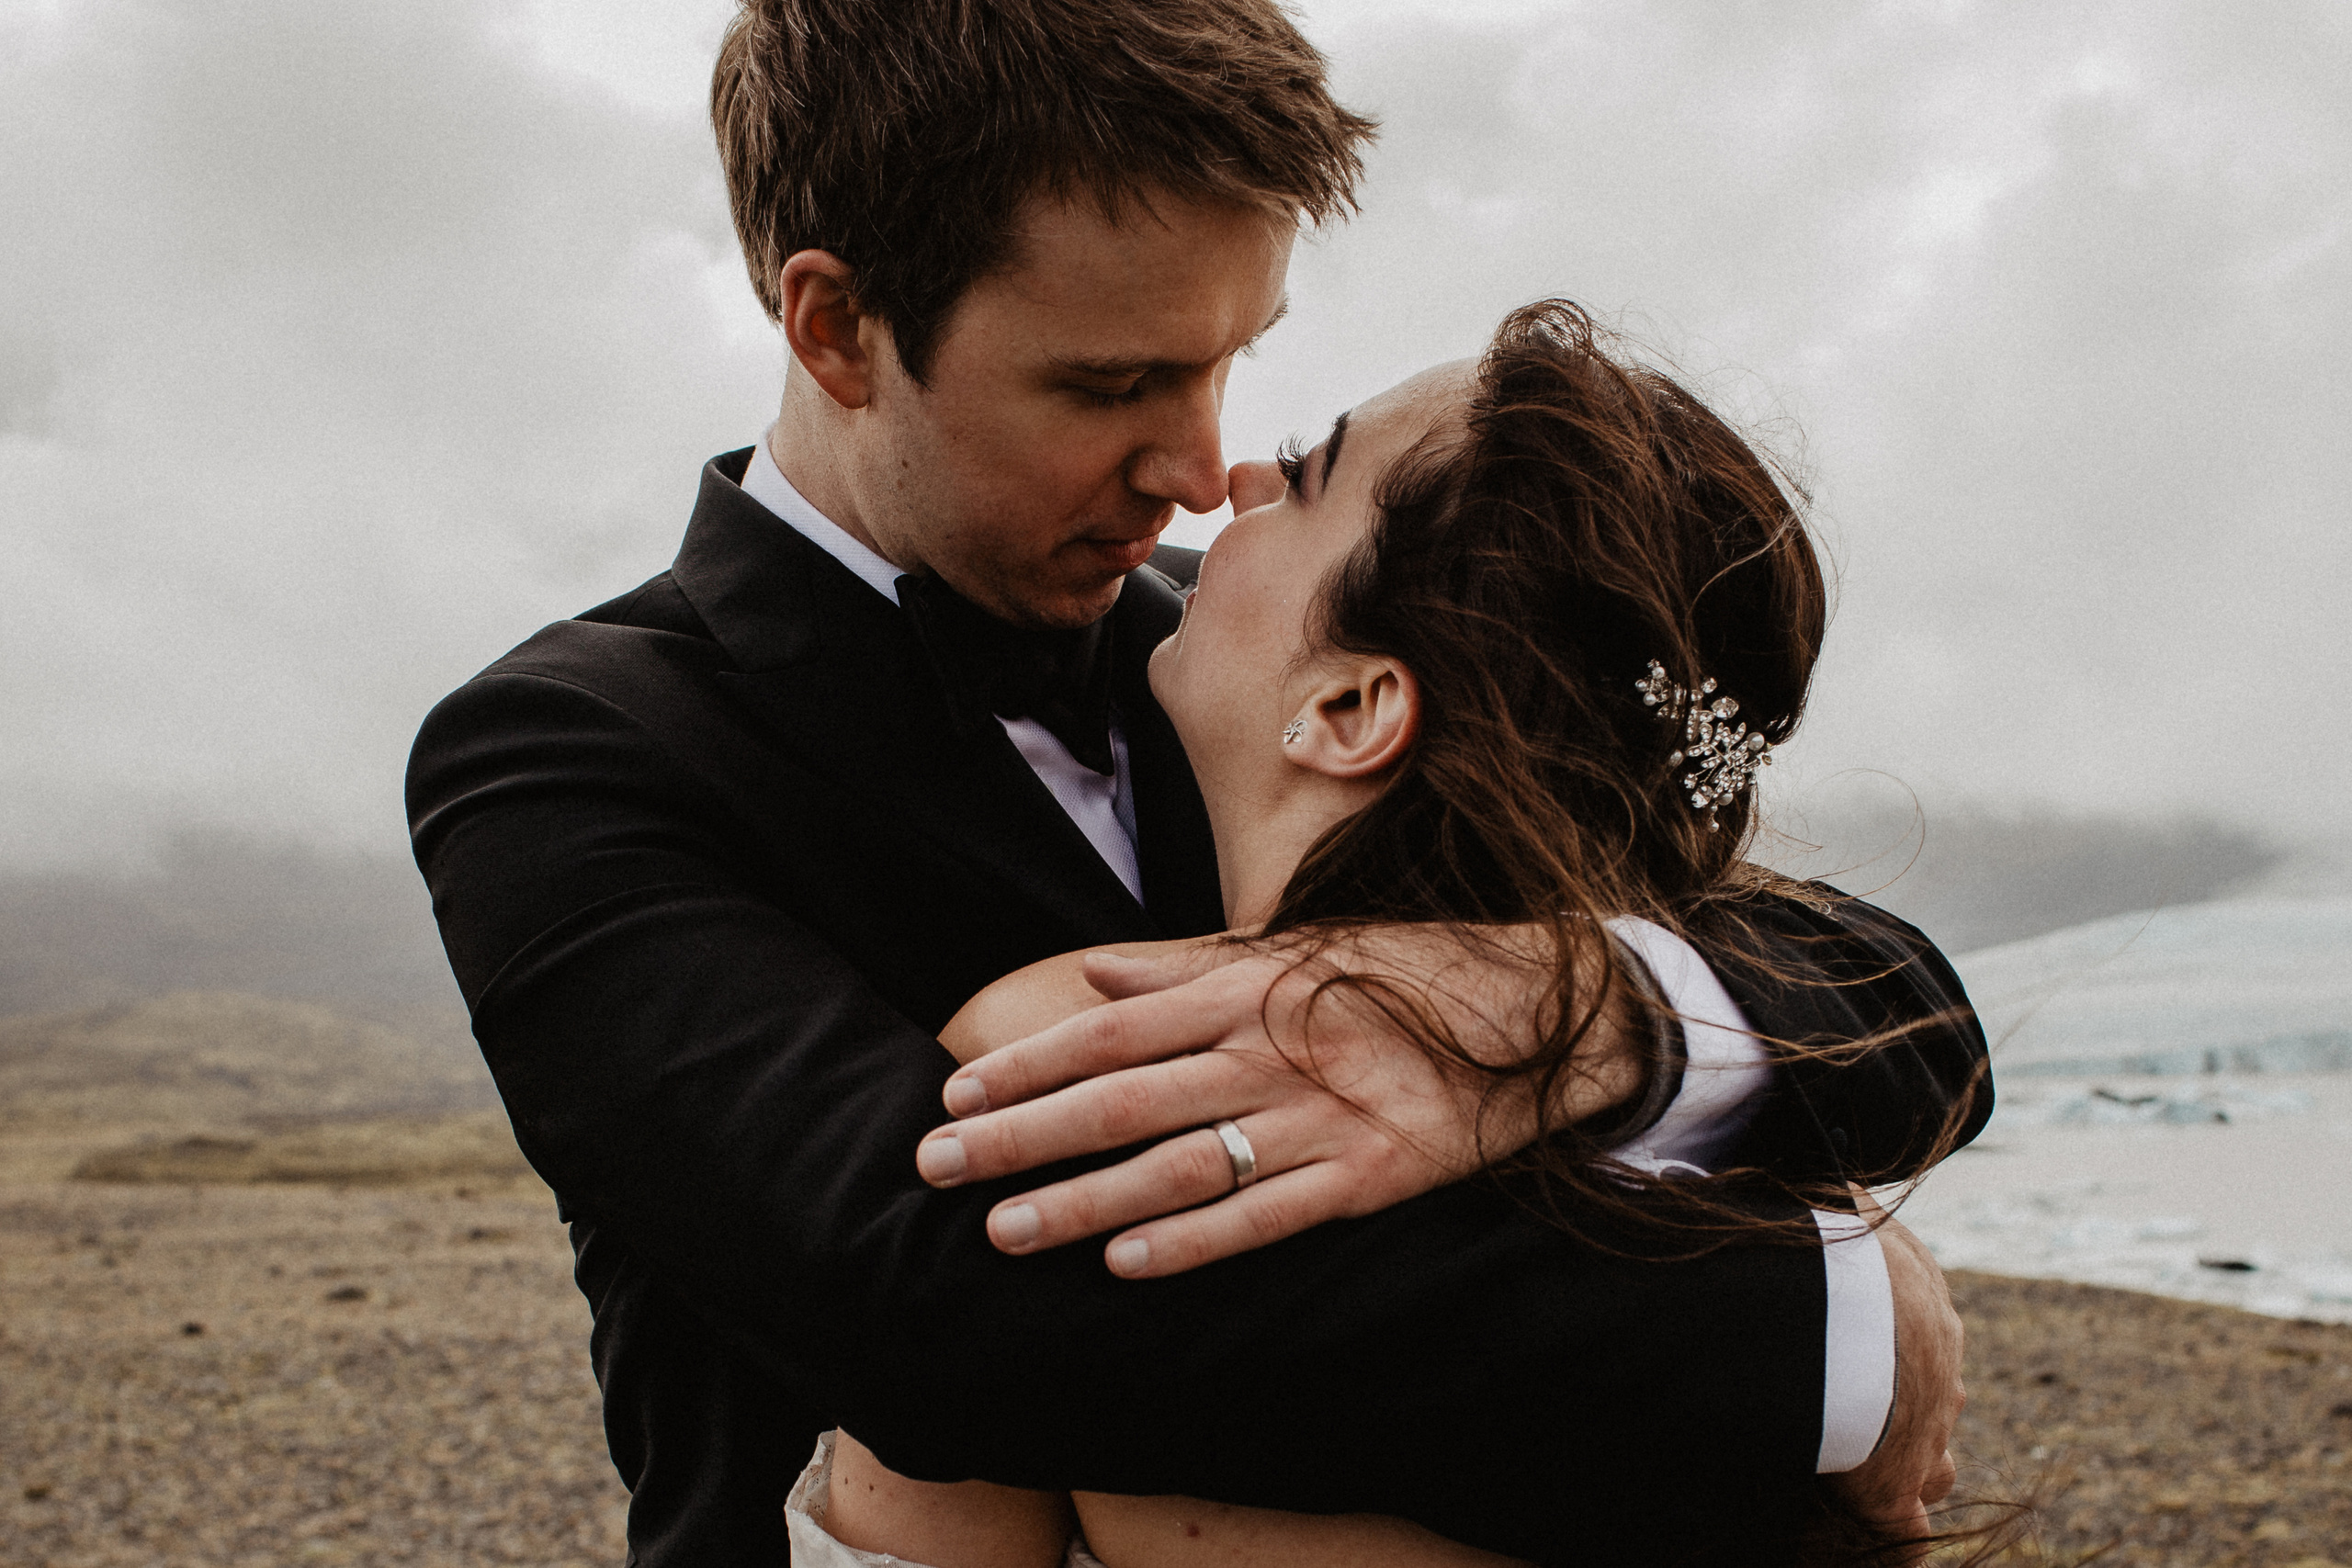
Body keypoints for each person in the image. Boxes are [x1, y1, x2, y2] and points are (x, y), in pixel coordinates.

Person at [403, 2, 1988, 1562]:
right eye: (1109, 388)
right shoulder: (569, 754)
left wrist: (1558, 1011)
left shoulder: (1247, 643)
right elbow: (943, 1307)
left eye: (1233, 361)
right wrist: (1822, 1324)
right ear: (836, 329)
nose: (1198, 465)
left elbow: (1888, 993)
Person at [796, 306, 1984, 1568]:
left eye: (1304, 479)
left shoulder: (1080, 1037)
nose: (1234, 478)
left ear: (1355, 705)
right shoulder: (1768, 1145)